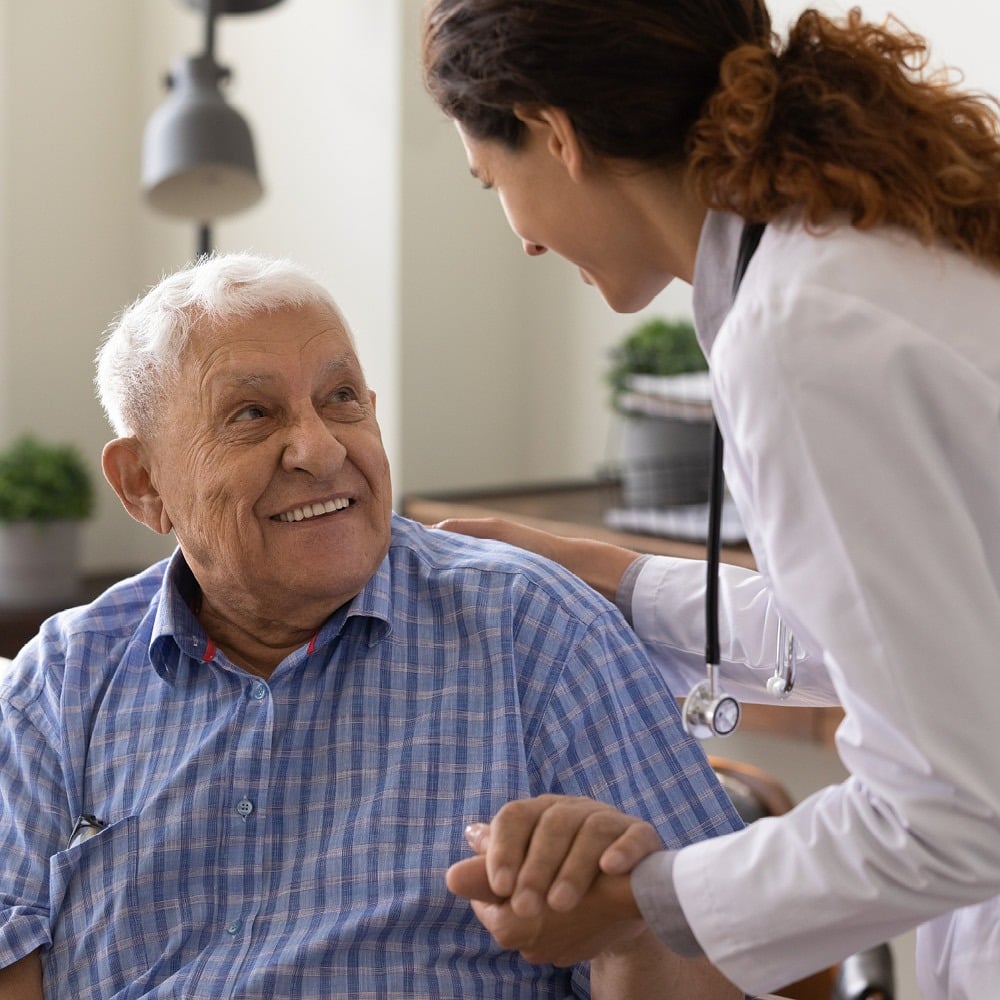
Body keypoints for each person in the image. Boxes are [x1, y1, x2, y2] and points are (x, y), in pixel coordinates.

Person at [421, 0, 1000, 996]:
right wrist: (620, 580)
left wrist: (646, 902)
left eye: (490, 186)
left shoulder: (800, 332)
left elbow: (951, 810)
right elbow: (923, 631)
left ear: (553, 135)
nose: (518, 238)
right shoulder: (861, 245)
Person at [0, 252, 743, 999]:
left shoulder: (537, 634)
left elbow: (729, 965)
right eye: (252, 414)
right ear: (143, 483)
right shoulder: (62, 681)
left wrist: (631, 929)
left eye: (342, 398)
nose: (321, 449)